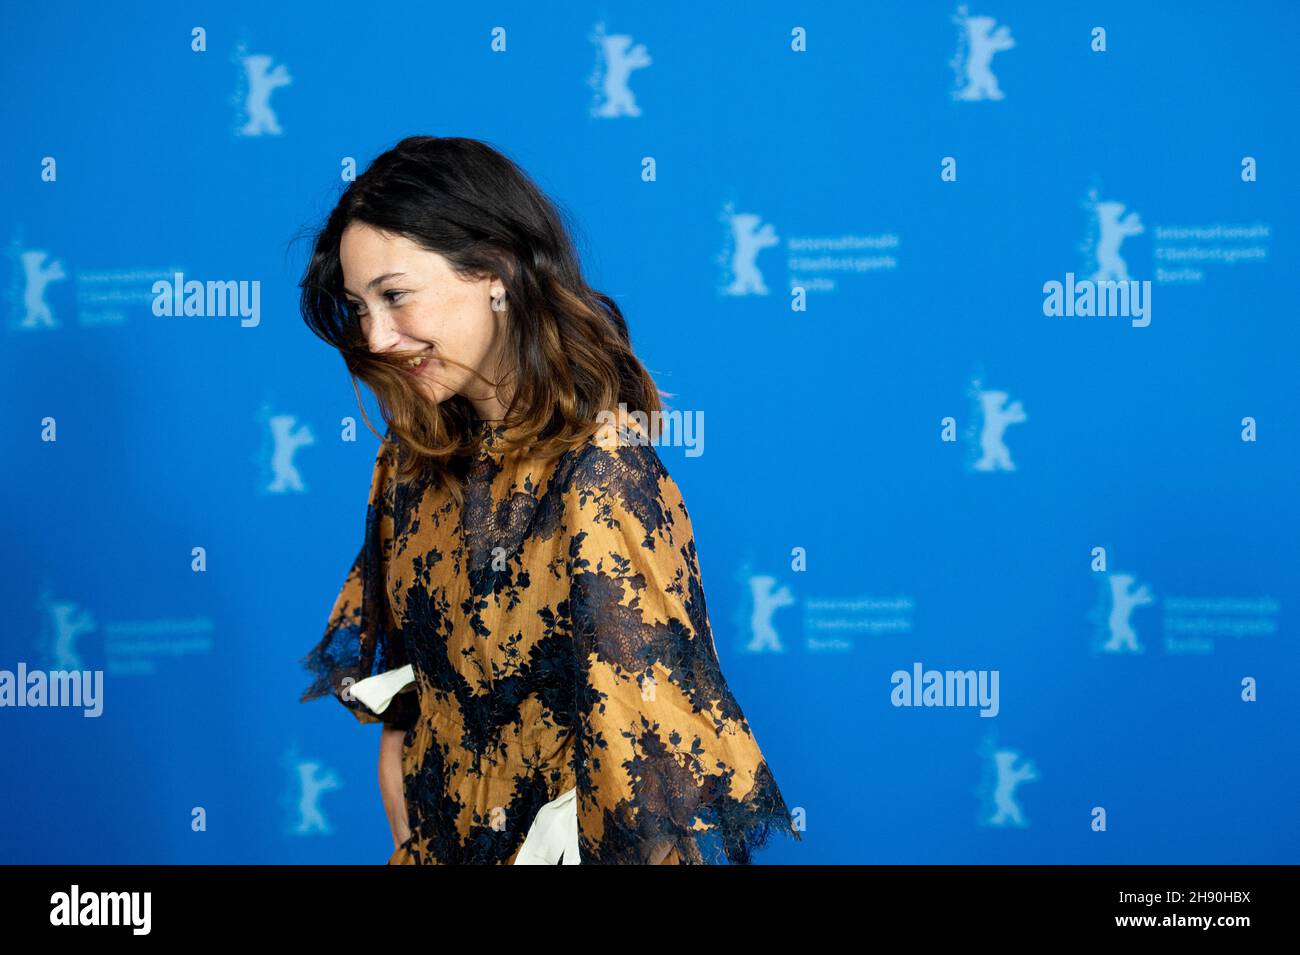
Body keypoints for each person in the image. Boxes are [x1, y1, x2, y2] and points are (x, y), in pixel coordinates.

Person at [297, 135, 801, 864]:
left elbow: (654, 791)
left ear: (494, 271)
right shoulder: (408, 463)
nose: (376, 335)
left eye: (395, 295)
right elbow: (405, 717)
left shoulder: (601, 472)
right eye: (358, 306)